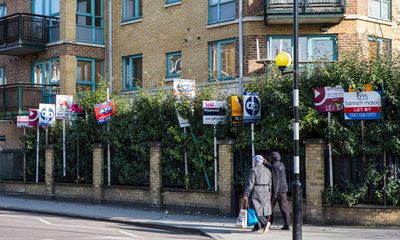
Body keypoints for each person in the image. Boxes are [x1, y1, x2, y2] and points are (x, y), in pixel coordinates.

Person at [243, 155, 272, 233]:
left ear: (255, 161)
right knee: (263, 209)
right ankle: (257, 226)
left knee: (255, 210)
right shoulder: (267, 170)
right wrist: (269, 192)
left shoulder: (254, 170)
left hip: (257, 191)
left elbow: (250, 183)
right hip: (265, 190)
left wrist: (246, 193)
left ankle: (266, 223)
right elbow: (270, 183)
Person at [268, 151, 291, 230]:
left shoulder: (274, 166)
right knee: (284, 207)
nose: (269, 158)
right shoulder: (281, 164)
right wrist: (267, 164)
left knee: (269, 207)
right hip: (284, 189)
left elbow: (276, 180)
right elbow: (274, 167)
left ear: (273, 158)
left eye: (270, 156)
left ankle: (268, 223)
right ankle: (287, 224)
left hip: (277, 190)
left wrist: (274, 193)